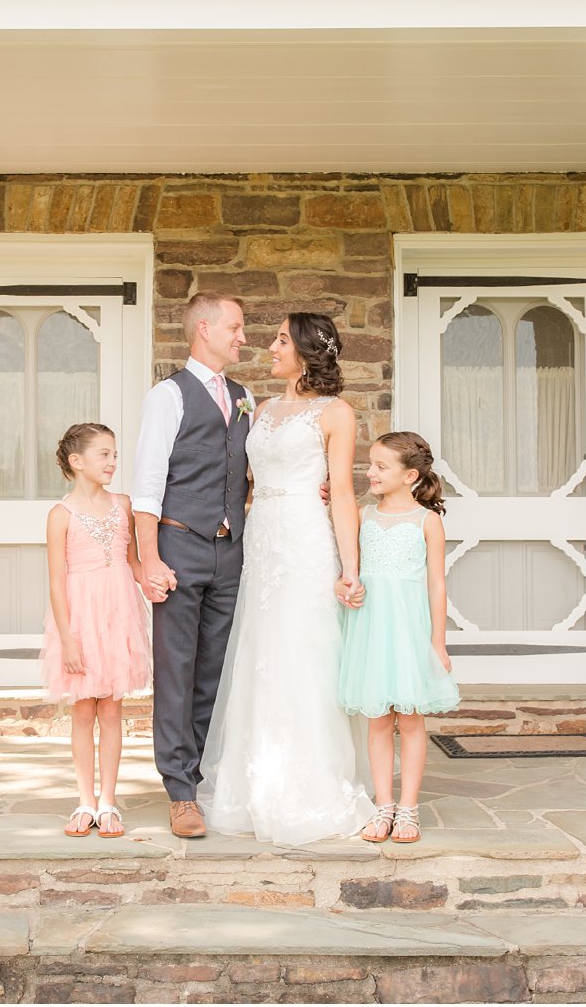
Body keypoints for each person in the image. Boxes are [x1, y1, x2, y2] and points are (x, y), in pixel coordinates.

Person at [197, 311, 377, 845]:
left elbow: (341, 491)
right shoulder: (261, 408)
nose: (269, 347)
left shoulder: (336, 413)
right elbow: (244, 479)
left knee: (305, 653)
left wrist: (350, 567)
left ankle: (311, 785)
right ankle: (255, 779)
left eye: (279, 340)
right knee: (260, 652)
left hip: (304, 541)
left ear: (304, 349)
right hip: (262, 538)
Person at [132, 292, 254, 838]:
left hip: (230, 550)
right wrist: (148, 558)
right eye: (235, 327)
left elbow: (248, 471)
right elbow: (147, 485)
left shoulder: (243, 396)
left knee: (213, 669)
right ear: (203, 328)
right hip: (179, 546)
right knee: (177, 670)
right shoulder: (168, 396)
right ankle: (179, 790)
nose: (243, 337)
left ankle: (197, 776)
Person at [337, 431, 459, 843]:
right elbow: (349, 568)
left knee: (410, 719)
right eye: (370, 464)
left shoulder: (428, 521)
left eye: (380, 467)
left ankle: (408, 808)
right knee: (377, 719)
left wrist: (438, 643)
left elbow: (437, 585)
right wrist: (349, 588)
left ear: (409, 476)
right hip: (371, 628)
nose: (370, 472)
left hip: (409, 631)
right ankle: (382, 805)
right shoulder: (364, 514)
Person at [40, 423, 152, 838]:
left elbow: (134, 561)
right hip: (81, 620)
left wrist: (153, 580)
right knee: (84, 709)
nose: (112, 461)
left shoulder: (122, 505)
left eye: (114, 454)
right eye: (103, 454)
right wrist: (68, 638)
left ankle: (108, 801)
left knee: (111, 709)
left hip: (118, 613)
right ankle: (85, 800)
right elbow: (56, 580)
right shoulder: (60, 515)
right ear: (77, 461)